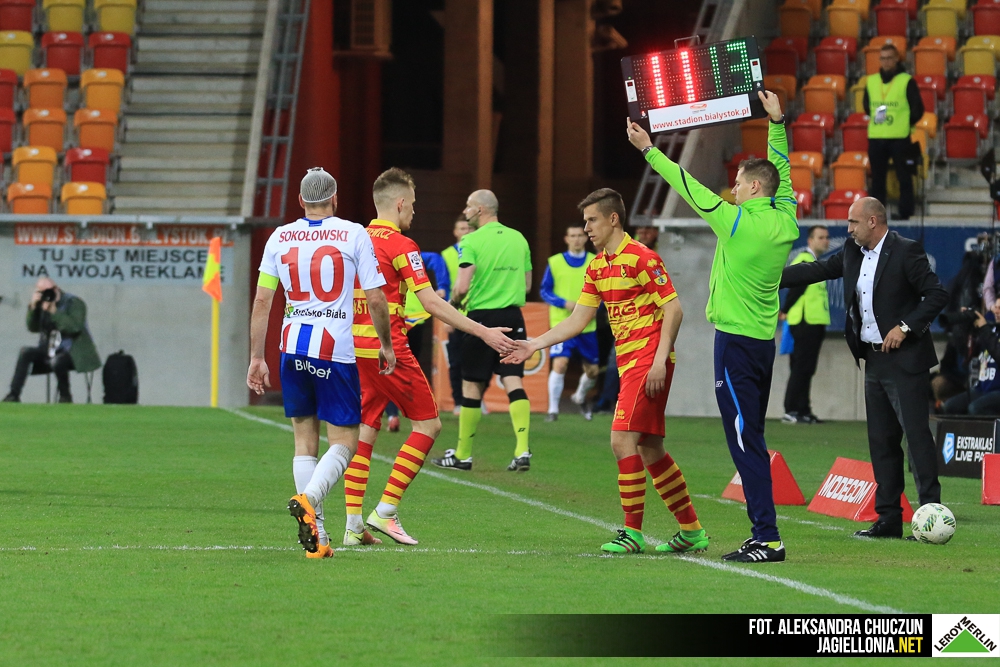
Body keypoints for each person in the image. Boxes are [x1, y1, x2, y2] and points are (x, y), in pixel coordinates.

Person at [627, 90, 798, 563]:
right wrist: (777, 123)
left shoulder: (736, 223)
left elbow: (688, 187)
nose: (732, 189)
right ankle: (764, 534)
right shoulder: (786, 219)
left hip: (735, 345)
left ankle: (767, 538)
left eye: (739, 184)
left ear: (755, 188)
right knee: (751, 436)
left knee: (746, 442)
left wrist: (648, 150)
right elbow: (783, 172)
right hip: (761, 344)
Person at [503, 188, 708, 554]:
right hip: (631, 362)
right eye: (585, 221)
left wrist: (659, 360)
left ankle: (632, 533)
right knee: (650, 448)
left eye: (592, 220)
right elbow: (578, 320)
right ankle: (692, 531)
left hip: (648, 360)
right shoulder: (598, 266)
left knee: (621, 440)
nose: (586, 228)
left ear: (613, 219)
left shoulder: (643, 258)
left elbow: (674, 309)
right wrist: (534, 344)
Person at [343, 168, 513, 546]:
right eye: (414, 204)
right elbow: (432, 302)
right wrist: (483, 331)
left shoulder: (353, 239)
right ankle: (386, 511)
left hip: (353, 348)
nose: (415, 211)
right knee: (428, 425)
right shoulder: (402, 246)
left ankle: (353, 526)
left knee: (365, 428)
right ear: (400, 203)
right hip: (388, 350)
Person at [247, 167, 396, 559]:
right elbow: (376, 298)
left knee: (304, 442)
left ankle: (320, 538)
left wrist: (257, 357)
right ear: (335, 198)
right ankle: (309, 500)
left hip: (292, 347)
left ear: (300, 200)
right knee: (345, 442)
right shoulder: (353, 233)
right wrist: (386, 343)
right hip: (335, 351)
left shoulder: (280, 237)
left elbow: (262, 301)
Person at [781, 196, 948, 539]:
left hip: (906, 360)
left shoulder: (906, 251)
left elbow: (936, 294)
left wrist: (904, 327)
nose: (848, 229)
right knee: (882, 441)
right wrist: (767, 277)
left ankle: (932, 514)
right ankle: (888, 519)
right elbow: (816, 270)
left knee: (917, 438)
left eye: (853, 222)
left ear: (873, 221)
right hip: (872, 359)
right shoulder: (852, 252)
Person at [431, 189, 533, 472]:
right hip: (513, 316)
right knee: (513, 380)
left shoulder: (471, 240)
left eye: (468, 206)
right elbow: (526, 285)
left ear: (480, 209)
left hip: (481, 319)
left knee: (471, 385)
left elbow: (462, 286)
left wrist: (453, 306)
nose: (465, 211)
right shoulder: (519, 238)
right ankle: (522, 449)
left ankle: (463, 455)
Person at [3, 277, 100, 403]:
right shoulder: (42, 304)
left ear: (56, 289)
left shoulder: (74, 303)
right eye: (42, 291)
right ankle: (13, 394)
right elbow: (33, 328)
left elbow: (74, 327)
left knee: (57, 361)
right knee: (25, 352)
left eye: (49, 290)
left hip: (74, 352)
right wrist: (33, 308)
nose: (47, 294)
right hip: (50, 348)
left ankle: (65, 397)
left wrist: (54, 311)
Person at [540, 224, 599, 421]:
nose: (576, 239)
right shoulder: (555, 262)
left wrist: (597, 307)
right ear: (566, 239)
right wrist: (563, 302)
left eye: (580, 235)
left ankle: (579, 396)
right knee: (560, 363)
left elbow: (604, 289)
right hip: (562, 323)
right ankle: (553, 410)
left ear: (586, 238)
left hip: (587, 325)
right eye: (572, 236)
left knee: (592, 371)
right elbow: (544, 290)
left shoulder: (595, 262)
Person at [863, 43, 924, 221]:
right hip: (876, 137)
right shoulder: (871, 81)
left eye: (889, 58)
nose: (886, 62)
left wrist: (903, 122)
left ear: (897, 59)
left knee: (904, 177)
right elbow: (867, 106)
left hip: (900, 137)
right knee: (877, 180)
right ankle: (877, 216)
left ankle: (905, 213)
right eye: (883, 58)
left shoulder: (906, 81)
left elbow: (918, 109)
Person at [781, 225, 831, 424]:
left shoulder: (814, 262)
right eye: (821, 237)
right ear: (810, 240)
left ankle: (803, 410)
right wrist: (785, 310)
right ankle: (791, 409)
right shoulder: (804, 260)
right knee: (801, 367)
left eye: (826, 237)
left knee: (806, 368)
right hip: (804, 322)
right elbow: (796, 289)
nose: (825, 241)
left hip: (814, 322)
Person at [942, 303, 1000, 415]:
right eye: (996, 307)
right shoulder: (991, 329)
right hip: (983, 389)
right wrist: (965, 326)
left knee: (976, 408)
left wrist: (984, 329)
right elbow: (966, 354)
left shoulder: (987, 330)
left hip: (997, 390)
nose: (996, 311)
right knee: (951, 406)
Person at [443, 216, 473, 413]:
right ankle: (458, 401)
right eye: (461, 228)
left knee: (477, 358)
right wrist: (447, 315)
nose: (465, 232)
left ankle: (475, 398)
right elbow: (444, 284)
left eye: (468, 228)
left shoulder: (478, 250)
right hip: (455, 313)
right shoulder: (446, 255)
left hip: (476, 310)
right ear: (455, 232)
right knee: (456, 360)